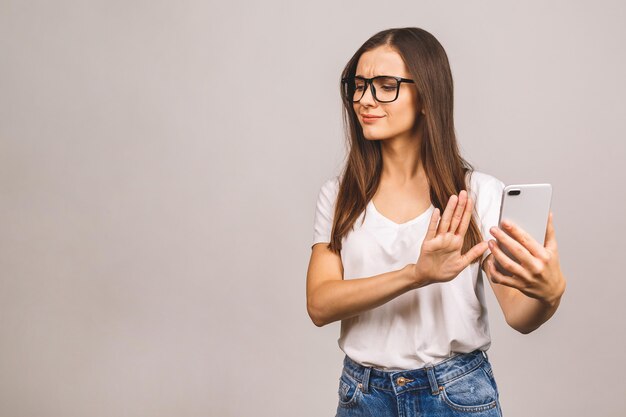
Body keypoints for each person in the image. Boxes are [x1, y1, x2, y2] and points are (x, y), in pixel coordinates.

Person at [306, 27, 567, 417]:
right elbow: (320, 304)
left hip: (454, 394)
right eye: (358, 85)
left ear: (427, 97)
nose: (365, 99)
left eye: (385, 85)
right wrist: (417, 274)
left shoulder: (478, 194)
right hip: (363, 397)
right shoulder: (341, 195)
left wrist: (550, 294)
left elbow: (519, 315)